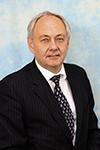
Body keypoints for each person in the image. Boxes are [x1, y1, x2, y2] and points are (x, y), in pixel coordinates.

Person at [0, 11, 100, 150]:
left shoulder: (79, 75)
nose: (54, 47)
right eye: (45, 39)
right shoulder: (11, 87)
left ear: (68, 42)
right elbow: (11, 146)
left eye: (60, 39)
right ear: (31, 44)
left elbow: (92, 131)